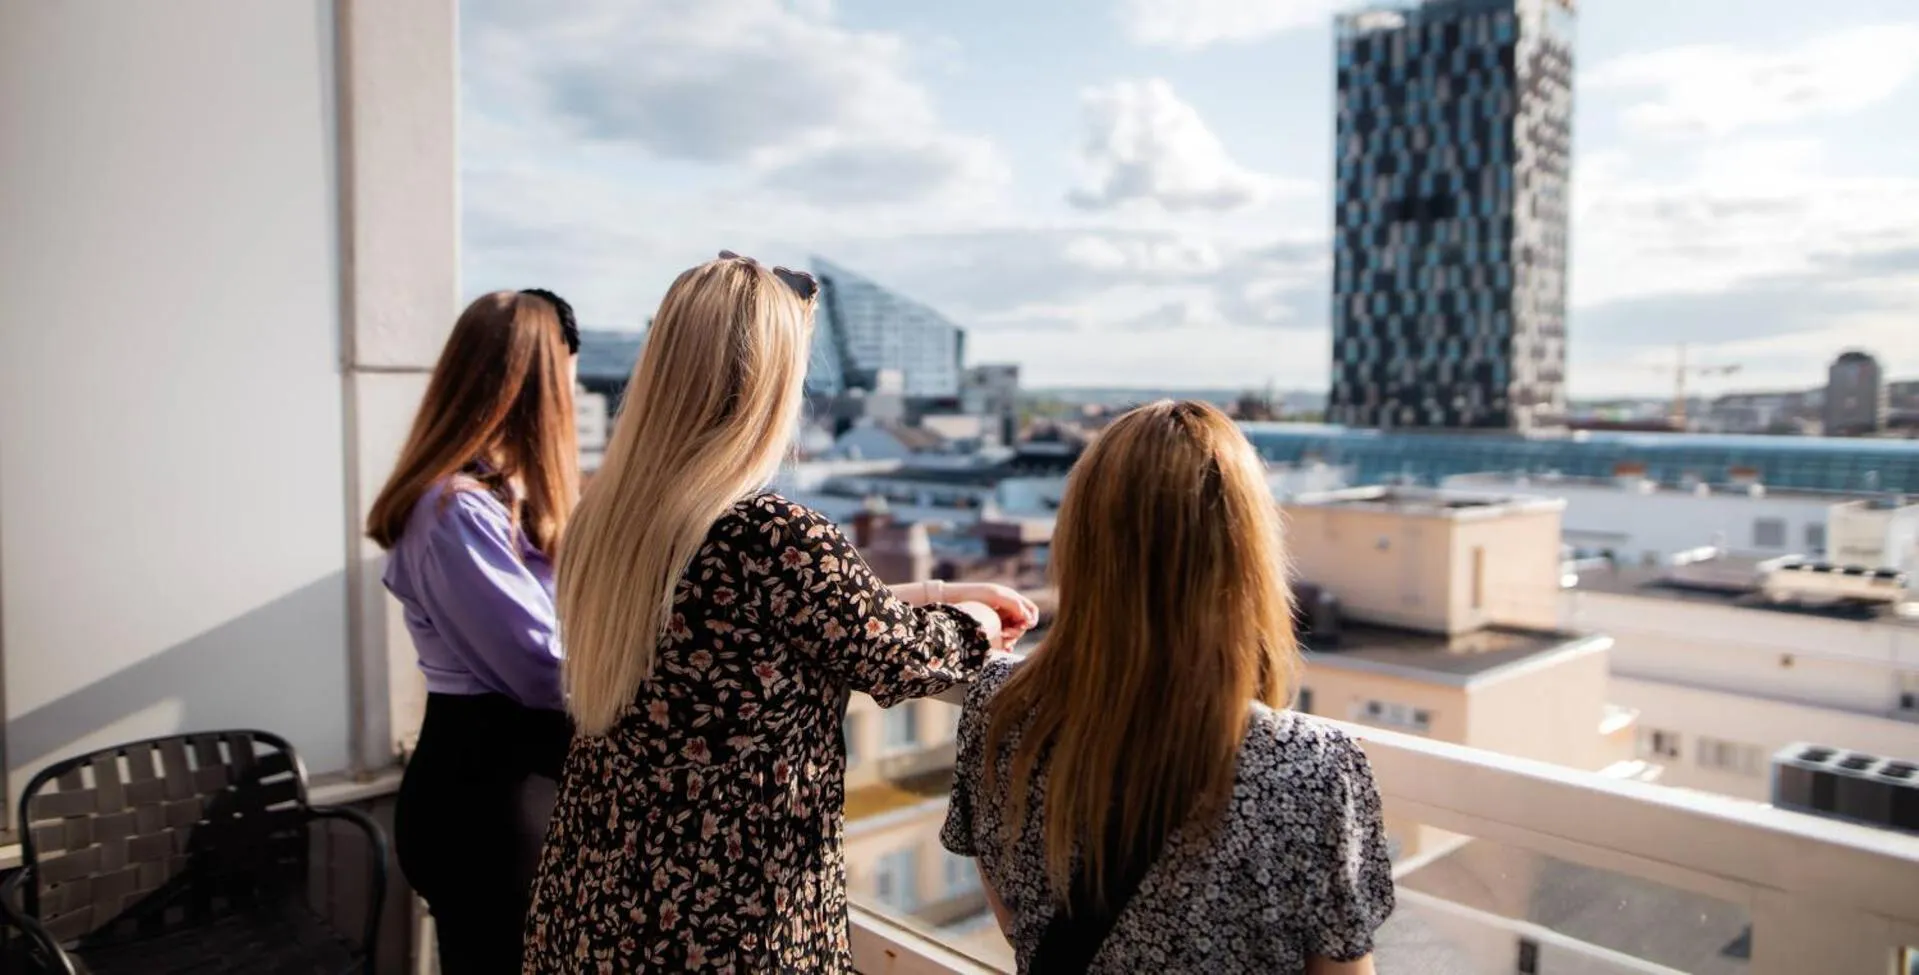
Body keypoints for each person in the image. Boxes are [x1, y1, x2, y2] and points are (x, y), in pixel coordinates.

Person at [523, 253, 1036, 973]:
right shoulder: (771, 534)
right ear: (764, 386)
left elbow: (793, 617)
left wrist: (937, 593)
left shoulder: (611, 520)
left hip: (598, 899)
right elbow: (897, 656)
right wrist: (978, 623)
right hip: (729, 921)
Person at [941, 399, 1395, 974]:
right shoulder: (1311, 768)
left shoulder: (995, 710)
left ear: (1080, 542)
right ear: (1246, 555)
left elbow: (1017, 923)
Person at [367, 288, 582, 974]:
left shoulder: (491, 499)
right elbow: (541, 671)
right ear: (539, 386)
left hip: (501, 786)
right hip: (488, 803)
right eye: (567, 377)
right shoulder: (455, 510)